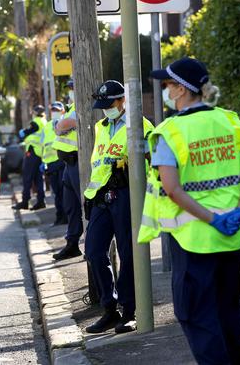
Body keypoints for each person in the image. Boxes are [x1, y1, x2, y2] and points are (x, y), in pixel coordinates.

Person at [147, 57, 240, 364]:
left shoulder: (170, 132)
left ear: (181, 90)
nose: (167, 91)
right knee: (228, 309)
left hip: (194, 239)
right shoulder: (231, 122)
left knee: (198, 315)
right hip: (233, 237)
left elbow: (172, 189)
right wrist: (238, 212)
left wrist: (211, 219)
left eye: (169, 85)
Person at [83, 80, 154, 334]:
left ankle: (130, 311)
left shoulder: (141, 126)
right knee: (93, 250)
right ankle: (109, 309)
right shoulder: (101, 127)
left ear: (122, 100)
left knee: (128, 253)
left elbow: (152, 160)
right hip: (102, 196)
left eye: (109, 104)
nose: (105, 110)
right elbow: (98, 163)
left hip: (126, 195)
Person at [52, 79, 84, 260]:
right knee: (71, 207)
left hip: (78, 163)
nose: (71, 91)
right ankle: (72, 244)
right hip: (68, 165)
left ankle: (92, 247)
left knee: (85, 206)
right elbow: (61, 126)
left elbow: (63, 125)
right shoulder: (71, 107)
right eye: (70, 88)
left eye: (73, 87)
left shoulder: (82, 105)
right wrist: (61, 126)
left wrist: (60, 126)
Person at [13, 105, 47, 210]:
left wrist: (23, 132)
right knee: (38, 179)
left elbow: (28, 131)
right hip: (40, 153)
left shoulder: (36, 121)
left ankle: (25, 201)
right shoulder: (45, 122)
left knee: (27, 177)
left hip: (32, 153)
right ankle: (41, 201)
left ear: (35, 113)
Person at [40, 101, 67, 226]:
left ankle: (66, 218)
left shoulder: (65, 123)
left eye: (57, 110)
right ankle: (59, 218)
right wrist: (43, 162)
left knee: (64, 193)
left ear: (62, 111)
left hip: (61, 162)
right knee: (57, 194)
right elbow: (43, 145)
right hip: (51, 165)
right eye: (53, 110)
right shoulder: (47, 126)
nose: (54, 112)